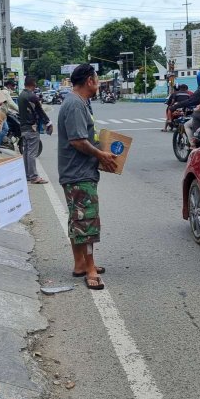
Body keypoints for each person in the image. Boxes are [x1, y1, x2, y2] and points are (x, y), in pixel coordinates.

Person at [57, 64, 118, 290]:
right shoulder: (74, 104)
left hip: (77, 172)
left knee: (78, 219)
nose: (99, 83)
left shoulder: (78, 103)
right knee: (87, 222)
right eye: (97, 79)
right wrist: (101, 154)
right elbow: (78, 141)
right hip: (78, 173)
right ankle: (90, 269)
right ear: (89, 81)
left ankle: (80, 264)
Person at [18, 76, 52, 184]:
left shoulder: (21, 96)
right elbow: (40, 110)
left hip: (23, 128)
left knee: (27, 152)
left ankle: (27, 175)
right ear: (33, 84)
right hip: (31, 128)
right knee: (32, 153)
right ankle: (33, 177)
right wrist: (48, 122)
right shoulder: (31, 96)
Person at [0, 78, 18, 152]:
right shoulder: (5, 92)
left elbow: (5, 104)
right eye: (13, 85)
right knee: (5, 129)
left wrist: (10, 111)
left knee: (4, 128)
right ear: (9, 85)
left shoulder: (3, 91)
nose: (14, 87)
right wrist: (20, 110)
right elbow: (11, 104)